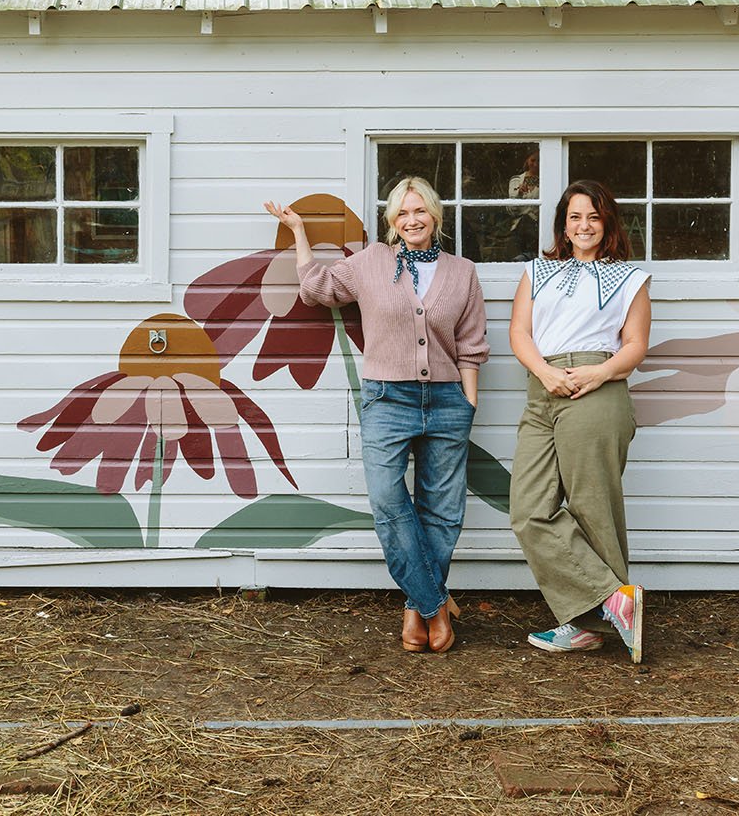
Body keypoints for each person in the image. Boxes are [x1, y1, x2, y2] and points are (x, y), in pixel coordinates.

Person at [265, 177, 489, 653]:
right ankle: (433, 604)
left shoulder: (462, 272)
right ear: (392, 220)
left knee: (443, 511)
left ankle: (414, 607)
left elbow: (471, 346)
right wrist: (300, 231)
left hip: (449, 399)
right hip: (387, 398)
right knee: (389, 502)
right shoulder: (371, 263)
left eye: (420, 211)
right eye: (403, 213)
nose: (412, 220)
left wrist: (469, 402)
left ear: (435, 216)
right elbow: (315, 288)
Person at [508, 180, 652, 663]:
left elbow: (634, 345)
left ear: (607, 221)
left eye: (593, 216)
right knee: (529, 510)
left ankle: (586, 626)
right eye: (575, 217)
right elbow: (519, 332)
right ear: (563, 225)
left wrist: (598, 373)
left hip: (598, 385)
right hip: (542, 386)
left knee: (593, 507)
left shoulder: (629, 277)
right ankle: (612, 598)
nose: (584, 225)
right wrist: (546, 373)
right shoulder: (538, 269)